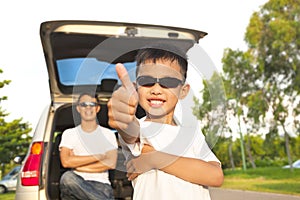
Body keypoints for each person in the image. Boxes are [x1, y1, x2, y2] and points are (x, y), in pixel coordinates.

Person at [107, 43, 224, 200]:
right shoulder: (141, 129)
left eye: (168, 81)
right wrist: (122, 117)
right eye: (147, 80)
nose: (156, 89)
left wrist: (154, 158)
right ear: (136, 88)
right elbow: (129, 129)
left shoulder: (192, 133)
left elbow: (215, 176)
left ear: (183, 91)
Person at [59, 92, 118, 200]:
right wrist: (99, 157)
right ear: (78, 108)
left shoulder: (107, 134)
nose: (88, 108)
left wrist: (77, 165)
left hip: (101, 186)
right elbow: (66, 162)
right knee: (67, 178)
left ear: (97, 108)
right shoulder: (69, 133)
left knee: (68, 176)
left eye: (92, 104)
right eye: (84, 105)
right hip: (74, 184)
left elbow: (111, 163)